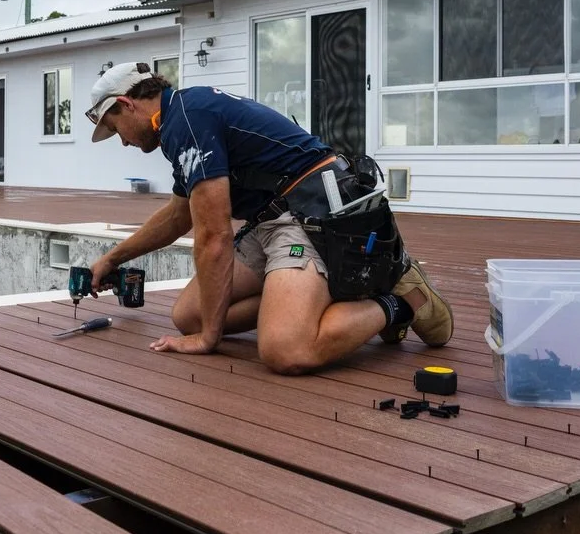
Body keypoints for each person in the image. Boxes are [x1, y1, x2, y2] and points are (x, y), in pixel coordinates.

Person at [86, 62, 452, 376]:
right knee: (190, 316)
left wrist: (209, 340)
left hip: (312, 217)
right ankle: (306, 302)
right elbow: (178, 217)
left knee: (286, 350)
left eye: (116, 129)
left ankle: (404, 300)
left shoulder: (187, 120)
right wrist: (113, 258)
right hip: (271, 220)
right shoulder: (182, 119)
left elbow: (213, 236)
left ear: (125, 104)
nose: (123, 142)